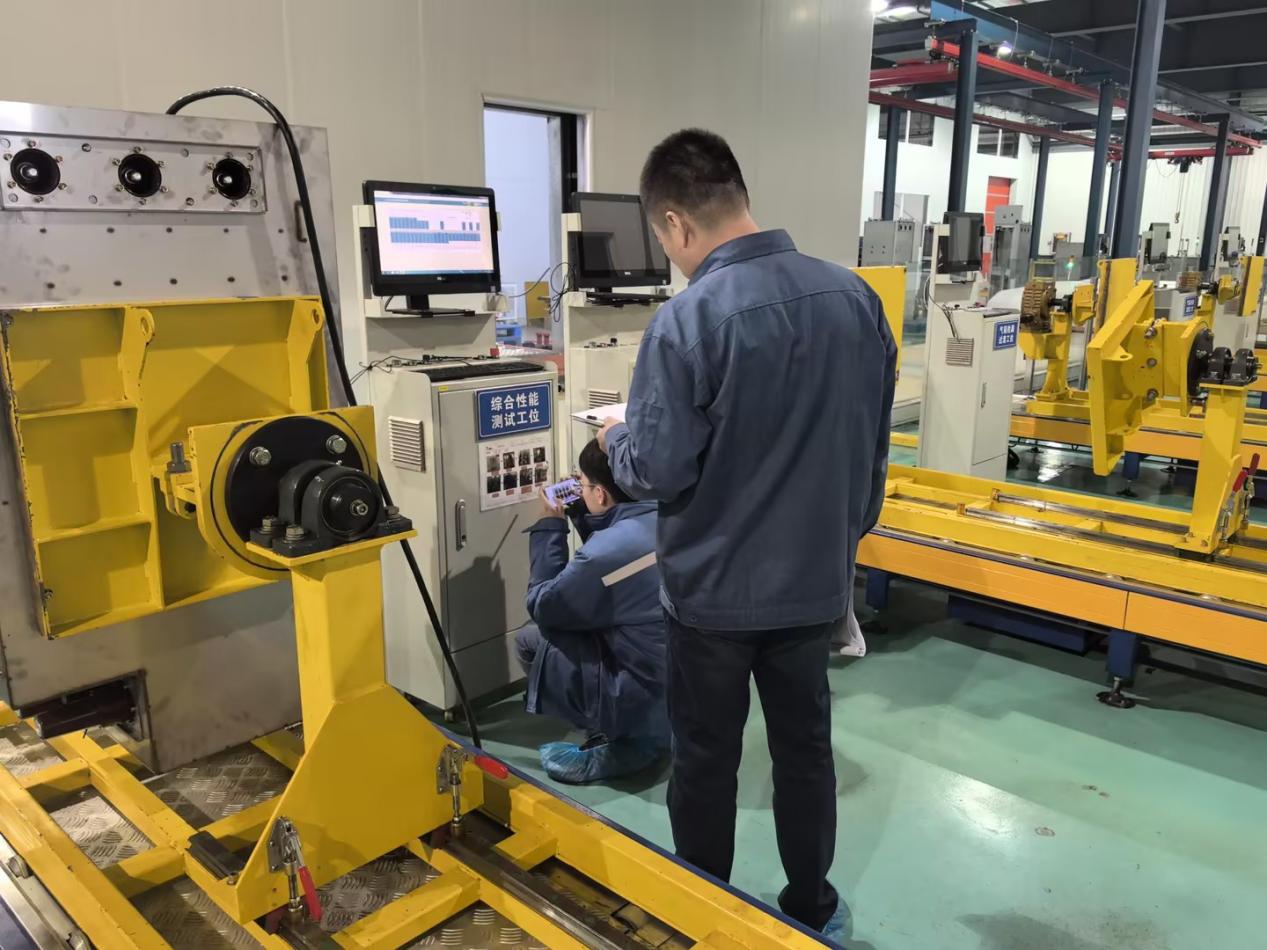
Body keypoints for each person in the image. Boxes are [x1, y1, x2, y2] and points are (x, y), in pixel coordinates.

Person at [598, 129, 896, 940]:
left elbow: (656, 468)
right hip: (813, 587)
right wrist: (840, 540)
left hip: (713, 600)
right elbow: (872, 450)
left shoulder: (687, 321)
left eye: (664, 238)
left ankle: (705, 914)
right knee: (804, 751)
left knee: (705, 760)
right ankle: (810, 906)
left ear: (674, 222)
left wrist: (612, 440)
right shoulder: (854, 299)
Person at [515, 439, 669, 784]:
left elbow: (543, 604)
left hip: (644, 682)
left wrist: (550, 527)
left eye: (583, 485)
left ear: (600, 493)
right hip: (684, 669)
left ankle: (620, 735)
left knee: (529, 640)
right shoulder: (669, 513)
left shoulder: (605, 554)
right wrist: (582, 512)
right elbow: (616, 560)